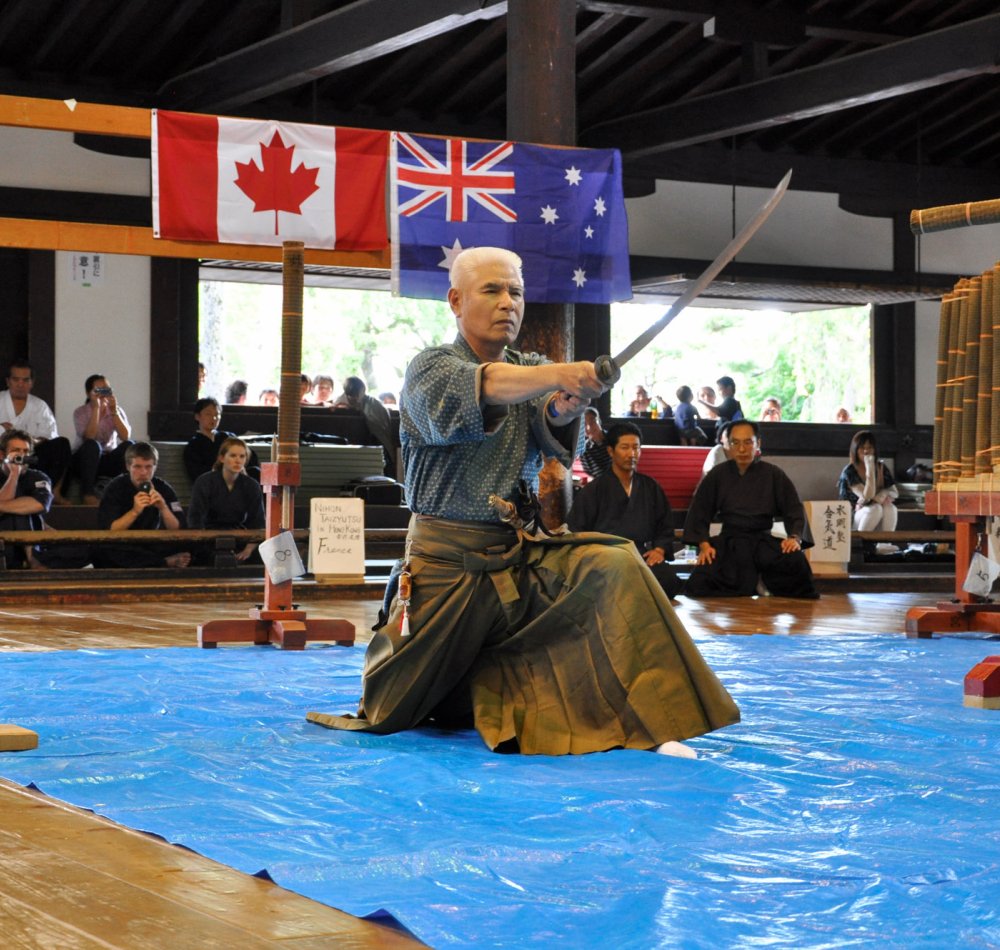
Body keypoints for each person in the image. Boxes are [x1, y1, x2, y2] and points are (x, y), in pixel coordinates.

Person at [309, 246, 739, 757]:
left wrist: (568, 403)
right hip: (444, 573)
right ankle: (475, 689)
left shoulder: (532, 368)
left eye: (515, 291)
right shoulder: (430, 368)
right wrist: (560, 375)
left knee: (613, 561)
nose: (507, 302)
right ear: (455, 301)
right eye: (492, 290)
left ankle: (651, 723)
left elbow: (549, 414)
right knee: (396, 705)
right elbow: (490, 386)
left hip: (518, 562)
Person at [684, 419, 819, 599]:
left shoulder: (773, 474)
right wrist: (704, 544)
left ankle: (762, 583)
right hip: (730, 542)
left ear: (758, 443)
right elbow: (700, 510)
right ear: (728, 445)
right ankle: (757, 583)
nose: (742, 449)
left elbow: (793, 508)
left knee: (795, 561)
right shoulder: (717, 474)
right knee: (699, 581)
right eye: (736, 443)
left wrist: (794, 538)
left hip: (763, 541)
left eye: (748, 442)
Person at [567, 422, 682, 598]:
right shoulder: (594, 489)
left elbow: (664, 524)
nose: (632, 454)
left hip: (640, 555)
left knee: (668, 582)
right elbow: (577, 529)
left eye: (636, 448)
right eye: (625, 448)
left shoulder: (650, 487)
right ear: (611, 451)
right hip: (605, 556)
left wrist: (659, 550)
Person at [96, 442, 191, 568]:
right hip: (123, 544)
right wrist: (135, 511)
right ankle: (163, 562)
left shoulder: (163, 488)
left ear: (155, 467)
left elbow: (179, 529)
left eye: (148, 467)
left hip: (151, 542)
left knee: (191, 547)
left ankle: (157, 561)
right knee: (105, 552)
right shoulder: (115, 488)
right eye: (137, 467)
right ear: (128, 466)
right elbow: (110, 531)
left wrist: (163, 507)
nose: (143, 472)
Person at [0, 360, 72, 504]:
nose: (20, 384)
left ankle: (51, 491)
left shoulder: (40, 406)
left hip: (30, 456)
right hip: (3, 456)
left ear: (32, 383)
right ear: (8, 381)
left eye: (25, 380)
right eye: (16, 379)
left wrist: (29, 441)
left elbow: (48, 435)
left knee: (61, 444)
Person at [187, 437, 265, 563]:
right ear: (222, 458)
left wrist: (248, 550)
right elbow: (195, 519)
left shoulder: (251, 485)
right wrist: (203, 545)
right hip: (208, 540)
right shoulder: (205, 482)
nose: (238, 460)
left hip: (239, 539)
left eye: (242, 456)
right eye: (233, 455)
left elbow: (258, 522)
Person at [71, 374, 132, 505]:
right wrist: (97, 408)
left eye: (107, 390)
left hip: (107, 459)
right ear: (88, 394)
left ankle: (127, 493)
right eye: (98, 390)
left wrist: (114, 412)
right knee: (92, 445)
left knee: (130, 446)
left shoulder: (116, 410)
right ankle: (87, 495)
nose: (103, 394)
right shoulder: (80, 412)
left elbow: (125, 437)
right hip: (85, 460)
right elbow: (89, 437)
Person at [0, 428, 52, 568]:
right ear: (2, 454)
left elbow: (40, 504)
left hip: (33, 537)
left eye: (25, 452)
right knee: (18, 510)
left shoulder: (38, 477)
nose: (21, 456)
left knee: (23, 511)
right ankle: (32, 558)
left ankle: (31, 556)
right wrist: (13, 475)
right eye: (16, 451)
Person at [183, 397, 260, 484]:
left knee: (255, 471)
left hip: (239, 478)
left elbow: (250, 456)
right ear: (197, 416)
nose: (214, 418)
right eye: (208, 414)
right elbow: (197, 475)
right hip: (215, 483)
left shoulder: (228, 437)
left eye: (217, 414)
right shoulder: (193, 446)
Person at [332, 376, 397, 477]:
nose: (356, 399)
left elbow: (380, 429)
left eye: (358, 394)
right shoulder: (340, 401)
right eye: (352, 396)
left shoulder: (373, 404)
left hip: (376, 443)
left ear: (363, 391)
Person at [838, 430, 898, 532]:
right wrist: (870, 467)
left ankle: (885, 540)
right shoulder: (849, 471)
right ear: (855, 450)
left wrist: (881, 495)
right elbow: (867, 496)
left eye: (869, 447)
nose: (866, 451)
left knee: (890, 508)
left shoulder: (880, 467)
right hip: (853, 517)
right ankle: (861, 540)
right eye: (862, 448)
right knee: (875, 509)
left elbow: (894, 492)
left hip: (874, 510)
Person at [579, 406, 612, 478]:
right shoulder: (584, 449)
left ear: (599, 421)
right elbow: (592, 472)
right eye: (584, 424)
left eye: (592, 422)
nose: (589, 427)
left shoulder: (614, 438)